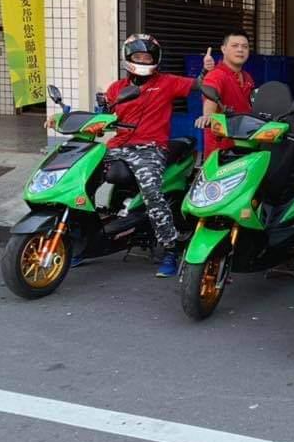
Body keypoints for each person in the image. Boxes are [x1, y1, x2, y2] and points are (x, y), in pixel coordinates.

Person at [46, 34, 214, 277]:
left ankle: (170, 248)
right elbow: (102, 115)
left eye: (147, 57)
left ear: (155, 59)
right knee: (81, 178)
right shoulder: (116, 88)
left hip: (150, 149)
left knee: (152, 192)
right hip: (117, 146)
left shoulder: (167, 82)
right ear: (128, 58)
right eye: (138, 56)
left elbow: (198, 84)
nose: (143, 60)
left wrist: (206, 71)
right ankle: (81, 241)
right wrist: (64, 119)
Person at [195, 31, 255, 159]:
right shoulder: (216, 75)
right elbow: (210, 98)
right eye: (235, 46)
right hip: (221, 152)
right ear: (223, 49)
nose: (240, 50)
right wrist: (208, 116)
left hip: (246, 145)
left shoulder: (248, 77)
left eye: (245, 46)